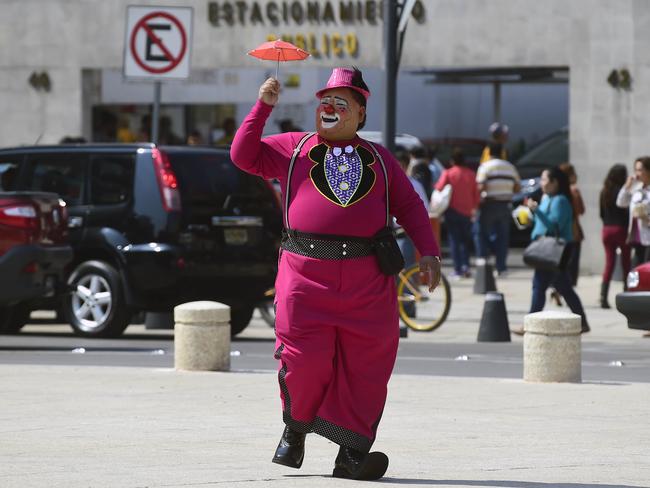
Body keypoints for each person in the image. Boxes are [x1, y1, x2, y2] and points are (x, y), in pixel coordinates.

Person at [230, 67, 441, 481]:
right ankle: (295, 430)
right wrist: (263, 107)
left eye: (341, 101)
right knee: (304, 360)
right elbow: (242, 154)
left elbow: (411, 208)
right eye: (325, 99)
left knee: (368, 366)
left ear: (361, 113)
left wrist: (429, 252)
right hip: (304, 277)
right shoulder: (294, 148)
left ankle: (351, 454)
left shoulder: (381, 159)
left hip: (367, 281)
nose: (329, 107)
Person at [514, 167, 590, 335]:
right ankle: (582, 321)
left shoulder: (561, 201)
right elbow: (541, 222)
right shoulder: (547, 198)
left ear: (555, 182)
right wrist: (528, 216)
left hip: (555, 250)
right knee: (564, 287)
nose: (542, 183)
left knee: (539, 286)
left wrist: (537, 211)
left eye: (544, 180)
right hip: (546, 248)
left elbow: (554, 226)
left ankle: (530, 323)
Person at [475, 141, 521, 275]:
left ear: (489, 152)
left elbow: (480, 187)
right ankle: (501, 268)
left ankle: (484, 264)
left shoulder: (485, 167)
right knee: (503, 236)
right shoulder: (510, 167)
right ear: (502, 152)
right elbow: (518, 188)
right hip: (505, 205)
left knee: (482, 234)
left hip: (489, 204)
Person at [435, 149, 480, 278]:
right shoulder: (471, 174)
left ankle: (458, 269)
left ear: (452, 161)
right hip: (467, 212)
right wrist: (474, 209)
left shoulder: (448, 173)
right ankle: (466, 266)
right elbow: (476, 195)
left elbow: (439, 187)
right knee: (465, 241)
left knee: (454, 240)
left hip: (452, 211)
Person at [599, 164, 631, 308]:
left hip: (606, 229)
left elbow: (601, 213)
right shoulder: (622, 192)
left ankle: (603, 297)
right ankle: (627, 294)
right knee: (626, 263)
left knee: (609, 264)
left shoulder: (604, 191)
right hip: (620, 229)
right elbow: (626, 213)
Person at [396, 150, 429, 269]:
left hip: (404, 232)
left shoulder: (414, 185)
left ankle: (408, 288)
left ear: (403, 166)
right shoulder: (387, 183)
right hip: (390, 234)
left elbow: (424, 209)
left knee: (406, 269)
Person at [616, 156, 650, 266]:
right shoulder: (636, 189)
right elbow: (621, 203)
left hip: (648, 237)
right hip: (636, 237)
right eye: (635, 170)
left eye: (640, 170)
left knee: (646, 271)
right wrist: (627, 186)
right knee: (635, 272)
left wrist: (646, 216)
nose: (637, 173)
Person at [559, 163, 585, 286]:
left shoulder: (556, 193)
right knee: (572, 262)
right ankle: (568, 286)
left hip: (560, 232)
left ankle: (558, 287)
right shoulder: (574, 191)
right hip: (573, 231)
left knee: (562, 262)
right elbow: (581, 210)